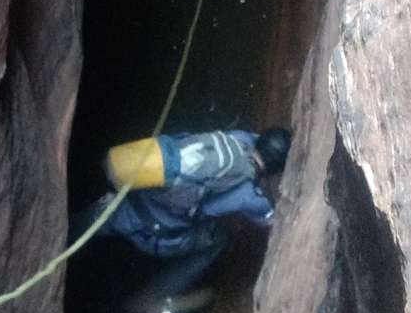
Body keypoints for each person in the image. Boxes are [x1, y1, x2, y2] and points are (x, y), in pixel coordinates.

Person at [75, 127, 292, 301]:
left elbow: (255, 138)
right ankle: (157, 297)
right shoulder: (247, 195)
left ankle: (67, 234)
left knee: (88, 223)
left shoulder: (236, 138)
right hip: (157, 235)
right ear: (274, 169)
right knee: (218, 240)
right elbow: (272, 221)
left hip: (131, 201)